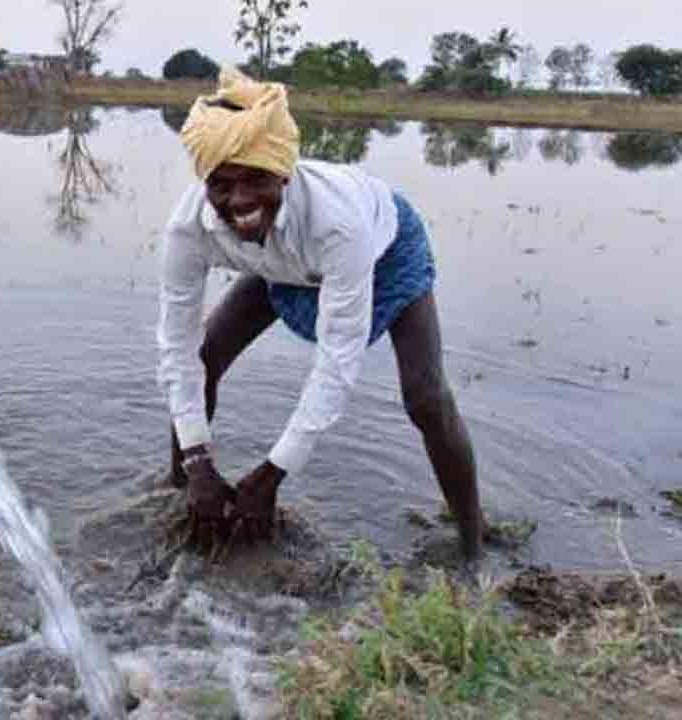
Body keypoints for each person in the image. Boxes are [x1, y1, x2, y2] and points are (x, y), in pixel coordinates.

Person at [157, 68, 485, 560]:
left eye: (255, 179)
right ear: (205, 182)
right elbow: (177, 351)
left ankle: (472, 543)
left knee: (425, 396)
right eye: (222, 185)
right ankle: (185, 492)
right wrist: (198, 457)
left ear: (284, 172)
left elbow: (337, 361)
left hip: (385, 250)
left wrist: (273, 473)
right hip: (277, 260)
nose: (240, 200)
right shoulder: (190, 229)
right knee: (205, 354)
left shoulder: (339, 225)